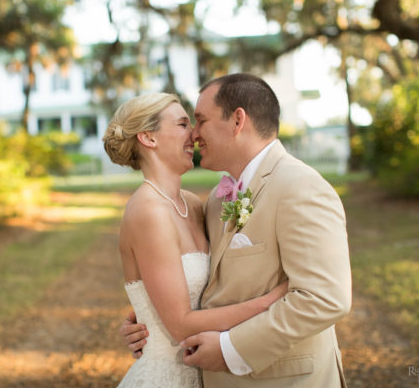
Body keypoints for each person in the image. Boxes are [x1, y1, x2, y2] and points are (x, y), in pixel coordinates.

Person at [120, 73, 352, 388]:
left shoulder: (301, 187)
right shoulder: (215, 200)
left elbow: (325, 299)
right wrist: (150, 319)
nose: (194, 134)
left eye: (200, 120)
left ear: (237, 121)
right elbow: (203, 284)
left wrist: (231, 350)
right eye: (187, 123)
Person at [102, 92, 288, 388]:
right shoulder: (147, 211)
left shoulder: (196, 204)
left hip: (210, 374)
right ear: (149, 138)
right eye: (182, 124)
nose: (194, 134)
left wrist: (141, 316)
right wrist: (272, 300)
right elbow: (180, 324)